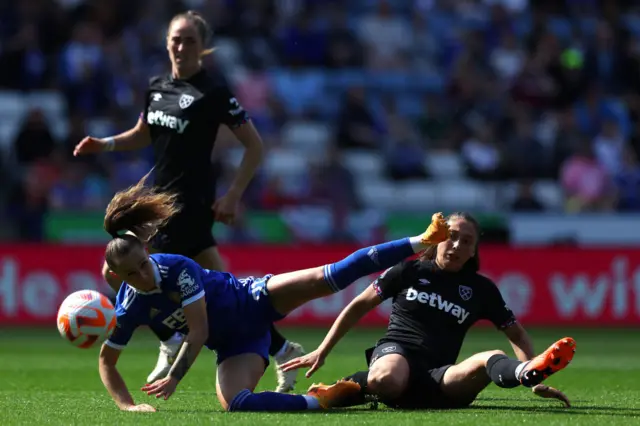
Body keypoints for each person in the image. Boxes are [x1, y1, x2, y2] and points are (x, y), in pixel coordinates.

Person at [73, 10, 303, 392]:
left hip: (190, 202)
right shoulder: (157, 86)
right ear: (166, 43)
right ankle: (280, 350)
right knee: (225, 287)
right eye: (175, 39)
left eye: (189, 40)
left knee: (136, 272)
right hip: (155, 200)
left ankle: (170, 338)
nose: (181, 46)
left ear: (203, 47)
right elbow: (144, 133)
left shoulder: (213, 91)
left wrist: (232, 194)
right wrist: (107, 143)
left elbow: (254, 146)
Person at [97, 176, 451, 412]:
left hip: (254, 298)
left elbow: (198, 331)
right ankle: (326, 399)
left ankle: (421, 239)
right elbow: (106, 361)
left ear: (147, 250)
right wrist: (128, 406)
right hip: (237, 343)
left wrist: (173, 377)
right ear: (117, 276)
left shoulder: (176, 267)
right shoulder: (129, 305)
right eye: (133, 272)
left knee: (335, 275)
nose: (145, 272)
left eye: (144, 263)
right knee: (237, 404)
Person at [282, 212, 576, 410]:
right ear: (437, 239)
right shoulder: (407, 270)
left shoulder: (482, 289)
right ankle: (357, 385)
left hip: (441, 377)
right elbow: (359, 305)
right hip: (397, 354)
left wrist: (534, 378)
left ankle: (524, 374)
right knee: (387, 379)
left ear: (474, 250)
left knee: (491, 357)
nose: (458, 245)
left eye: (467, 241)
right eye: (452, 236)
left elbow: (518, 335)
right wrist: (323, 349)